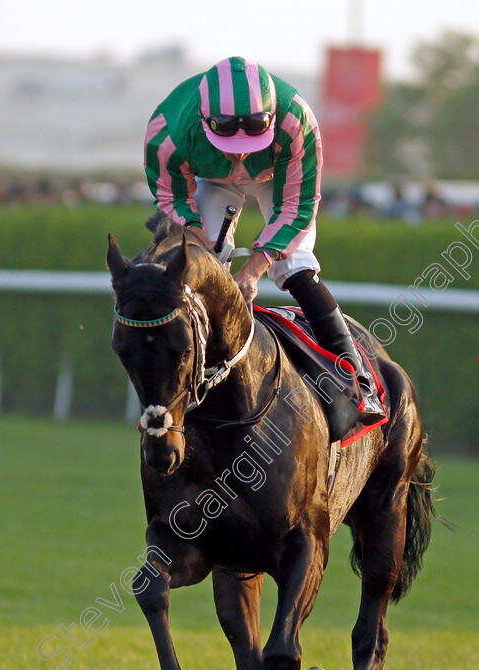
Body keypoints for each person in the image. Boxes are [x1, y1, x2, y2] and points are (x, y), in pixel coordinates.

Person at [144, 56, 385, 423]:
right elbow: (172, 198)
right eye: (228, 139)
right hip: (211, 180)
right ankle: (187, 384)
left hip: (277, 177)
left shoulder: (298, 121)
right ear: (204, 120)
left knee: (295, 267)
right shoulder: (168, 131)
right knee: (197, 264)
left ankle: (357, 383)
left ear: (272, 118)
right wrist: (196, 234)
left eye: (251, 139)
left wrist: (253, 272)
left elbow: (297, 208)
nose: (240, 152)